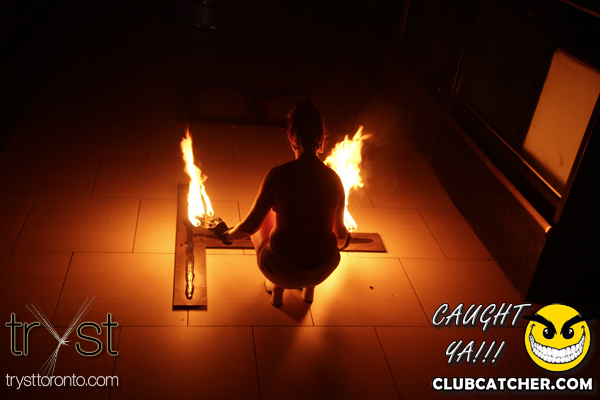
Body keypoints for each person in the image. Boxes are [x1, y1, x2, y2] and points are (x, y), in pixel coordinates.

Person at [216, 100, 350, 306]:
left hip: (281, 270)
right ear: (322, 138)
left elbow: (249, 228)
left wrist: (226, 237)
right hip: (324, 269)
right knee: (322, 221)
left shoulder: (278, 176)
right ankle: (308, 290)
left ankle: (276, 287)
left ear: (290, 135)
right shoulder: (335, 180)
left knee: (266, 216)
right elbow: (340, 238)